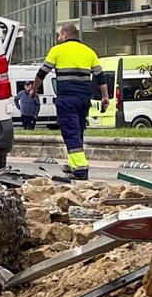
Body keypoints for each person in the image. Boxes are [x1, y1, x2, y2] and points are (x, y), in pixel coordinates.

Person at [29, 23, 110, 180]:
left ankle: (80, 169)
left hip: (67, 98)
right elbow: (100, 77)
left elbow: (42, 72)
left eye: (59, 35)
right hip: (84, 98)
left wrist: (34, 89)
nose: (58, 38)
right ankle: (72, 164)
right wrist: (105, 96)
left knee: (70, 131)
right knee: (78, 130)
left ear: (65, 34)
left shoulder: (57, 50)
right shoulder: (89, 51)